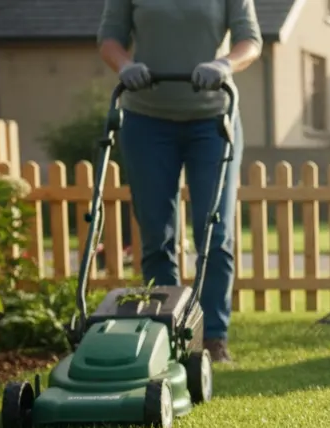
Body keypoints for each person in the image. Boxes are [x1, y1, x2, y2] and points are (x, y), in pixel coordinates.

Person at [96, 0, 263, 363]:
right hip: (145, 120)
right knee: (157, 235)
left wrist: (224, 64)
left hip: (213, 119)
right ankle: (166, 330)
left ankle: (212, 338)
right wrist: (125, 66)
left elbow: (250, 41)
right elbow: (109, 38)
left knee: (215, 233)